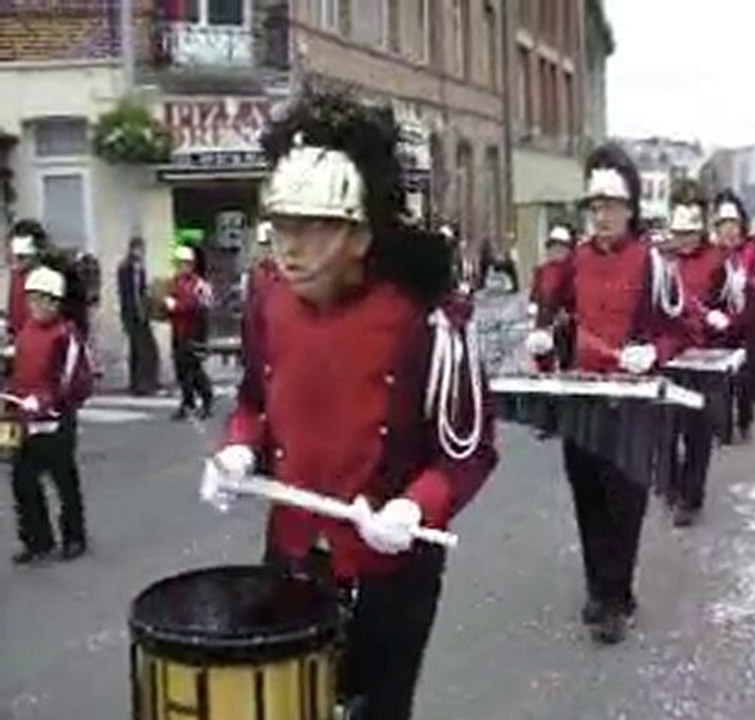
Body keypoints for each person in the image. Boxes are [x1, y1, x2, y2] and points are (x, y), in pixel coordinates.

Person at [199, 89, 497, 720]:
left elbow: (467, 451)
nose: (289, 247)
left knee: (377, 711)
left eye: (310, 228)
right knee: (289, 706)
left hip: (389, 566)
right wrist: (236, 448)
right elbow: (255, 398)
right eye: (280, 225)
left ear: (359, 234)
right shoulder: (266, 300)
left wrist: (416, 506)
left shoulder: (429, 317)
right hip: (291, 551)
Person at [527, 143, 699, 644]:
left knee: (625, 502)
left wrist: (657, 352)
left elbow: (684, 328)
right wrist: (542, 343)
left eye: (611, 206)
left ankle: (616, 597)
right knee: (587, 498)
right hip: (581, 397)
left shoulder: (655, 264)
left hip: (633, 402)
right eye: (594, 206)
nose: (601, 216)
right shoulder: (573, 262)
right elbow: (550, 317)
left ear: (631, 210)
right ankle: (597, 588)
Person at [9, 264, 94, 564]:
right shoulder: (25, 332)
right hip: (26, 419)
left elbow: (72, 379)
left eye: (44, 300)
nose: (37, 306)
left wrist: (47, 401)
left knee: (63, 480)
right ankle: (37, 540)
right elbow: (18, 368)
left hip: (56, 419)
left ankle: (74, 537)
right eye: (32, 299)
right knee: (23, 481)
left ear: (57, 302)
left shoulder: (66, 334)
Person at [659, 202, 727, 527]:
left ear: (699, 232)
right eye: (678, 233)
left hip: (705, 356)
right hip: (669, 355)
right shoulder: (662, 261)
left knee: (698, 432)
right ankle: (672, 486)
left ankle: (690, 497)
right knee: (666, 430)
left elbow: (727, 302)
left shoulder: (716, 260)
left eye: (688, 233)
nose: (683, 239)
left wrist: (722, 320)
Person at [712, 192, 755, 440]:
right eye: (724, 226)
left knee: (745, 380)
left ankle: (744, 421)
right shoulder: (712, 255)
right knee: (721, 381)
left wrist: (752, 287)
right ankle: (723, 428)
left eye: (733, 225)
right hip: (719, 329)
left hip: (747, 328)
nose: (729, 231)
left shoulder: (752, 254)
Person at [165, 244, 214, 420]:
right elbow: (169, 301)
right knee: (181, 370)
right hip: (178, 330)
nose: (180, 268)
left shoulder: (199, 284)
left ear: (190, 265)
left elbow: (199, 305)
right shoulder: (175, 282)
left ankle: (207, 400)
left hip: (193, 332)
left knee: (194, 370)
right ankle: (188, 402)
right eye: (178, 264)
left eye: (183, 264)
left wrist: (176, 306)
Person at [529, 225, 576, 369]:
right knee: (543, 357)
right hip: (544, 322)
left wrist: (568, 314)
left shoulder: (573, 271)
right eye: (553, 247)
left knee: (566, 358)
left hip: (566, 326)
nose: (556, 251)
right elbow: (536, 295)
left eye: (561, 247)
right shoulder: (542, 271)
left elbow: (575, 297)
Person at [117, 237, 159, 395]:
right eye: (140, 248)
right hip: (134, 315)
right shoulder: (128, 268)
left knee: (137, 350)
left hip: (137, 314)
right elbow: (130, 295)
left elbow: (139, 291)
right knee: (145, 350)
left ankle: (138, 384)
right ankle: (144, 384)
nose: (142, 252)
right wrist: (140, 312)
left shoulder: (138, 268)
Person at [6, 219, 47, 340]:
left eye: (22, 257)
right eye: (13, 255)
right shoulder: (16, 274)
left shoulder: (47, 284)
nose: (15, 262)